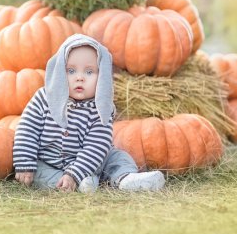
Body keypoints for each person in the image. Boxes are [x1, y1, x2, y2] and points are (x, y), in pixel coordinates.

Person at [13, 34, 165, 193]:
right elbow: (27, 131)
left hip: (93, 161)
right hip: (49, 161)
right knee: (39, 171)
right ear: (59, 71)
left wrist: (75, 173)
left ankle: (126, 179)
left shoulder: (101, 108)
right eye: (71, 71)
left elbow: (96, 146)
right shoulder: (44, 99)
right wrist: (24, 162)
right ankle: (74, 184)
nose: (79, 78)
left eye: (89, 72)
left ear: (102, 77)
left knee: (118, 157)